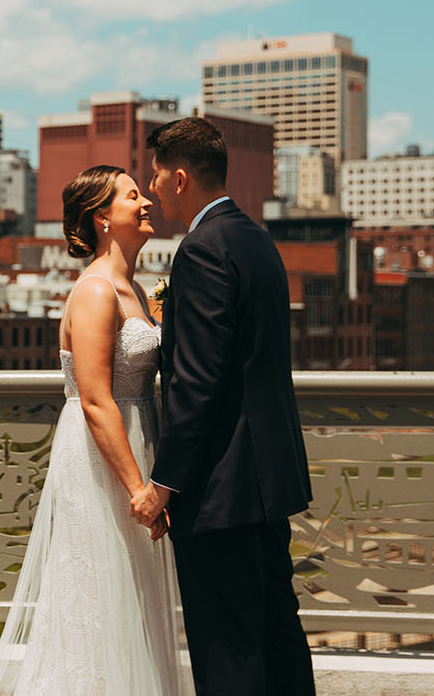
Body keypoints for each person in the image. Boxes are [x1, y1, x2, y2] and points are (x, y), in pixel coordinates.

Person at [0, 165, 190, 696]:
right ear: (102, 218)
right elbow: (95, 400)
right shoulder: (96, 291)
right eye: (131, 196)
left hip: (136, 441)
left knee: (130, 598)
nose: (145, 203)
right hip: (105, 461)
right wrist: (139, 489)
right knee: (96, 594)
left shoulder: (136, 290)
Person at [129, 117, 316, 696]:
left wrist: (165, 482)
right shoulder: (255, 238)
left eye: (157, 172)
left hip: (220, 489)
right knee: (277, 636)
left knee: (228, 649)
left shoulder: (202, 250)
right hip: (266, 481)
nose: (153, 184)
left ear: (181, 177)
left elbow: (198, 382)